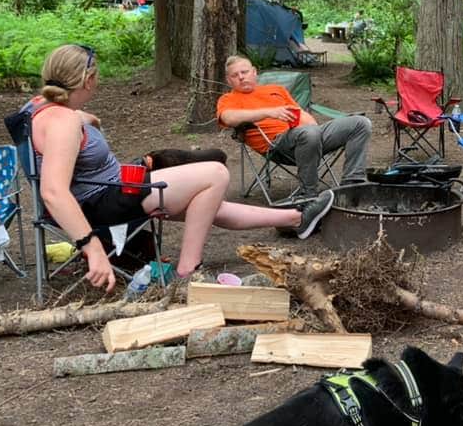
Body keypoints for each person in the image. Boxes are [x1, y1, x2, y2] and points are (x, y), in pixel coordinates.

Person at [26, 44, 335, 292]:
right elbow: (53, 191)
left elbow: (56, 137)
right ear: (88, 80)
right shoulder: (63, 122)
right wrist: (91, 247)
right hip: (104, 202)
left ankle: (296, 218)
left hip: (112, 190)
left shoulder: (43, 107)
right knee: (215, 173)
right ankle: (188, 271)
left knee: (205, 202)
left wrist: (84, 118)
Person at [217, 55, 371, 202]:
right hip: (278, 146)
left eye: (244, 72)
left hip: (308, 137)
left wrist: (315, 133)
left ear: (254, 72)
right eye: (235, 75)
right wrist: (269, 112)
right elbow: (228, 118)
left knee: (360, 123)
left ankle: (352, 183)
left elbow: (301, 115)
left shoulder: (276, 90)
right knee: (309, 133)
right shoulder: (228, 99)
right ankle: (309, 194)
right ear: (229, 80)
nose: (241, 77)